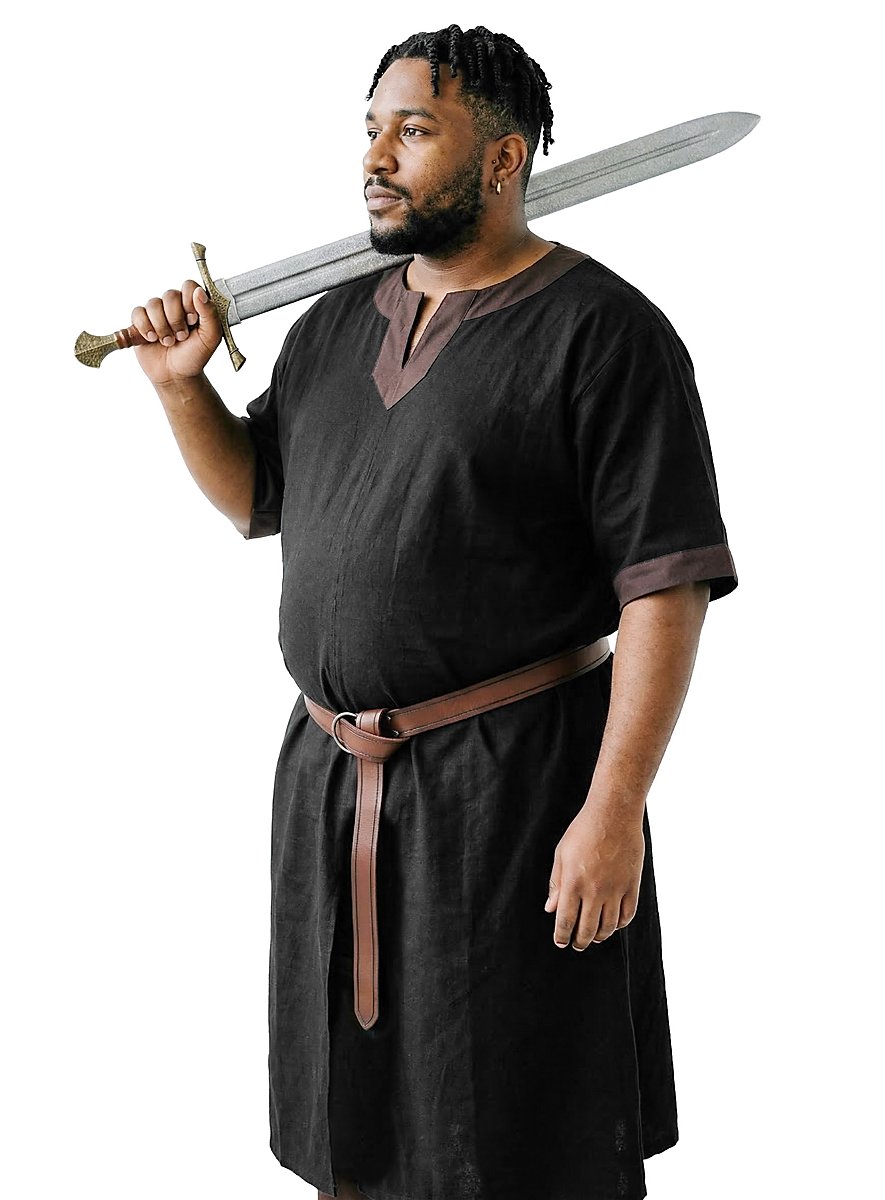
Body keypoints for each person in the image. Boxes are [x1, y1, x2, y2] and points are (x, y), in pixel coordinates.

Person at [129, 23, 738, 1200]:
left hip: (514, 794)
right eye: (371, 130)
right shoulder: (332, 324)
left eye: (413, 131)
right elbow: (258, 498)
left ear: (504, 160)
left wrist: (613, 813)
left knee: (521, 1137)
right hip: (332, 788)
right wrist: (180, 387)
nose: (376, 158)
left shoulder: (605, 335)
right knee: (353, 1137)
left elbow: (665, 584)